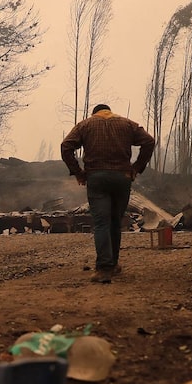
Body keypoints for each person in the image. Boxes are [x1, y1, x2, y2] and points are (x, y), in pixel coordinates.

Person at [61, 104, 156, 283]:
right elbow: (149, 141)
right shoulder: (127, 124)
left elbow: (66, 146)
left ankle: (104, 269)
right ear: (110, 111)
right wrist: (136, 168)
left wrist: (78, 173)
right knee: (115, 221)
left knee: (101, 223)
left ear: (94, 113)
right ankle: (113, 264)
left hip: (96, 178)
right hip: (122, 178)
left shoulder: (85, 125)